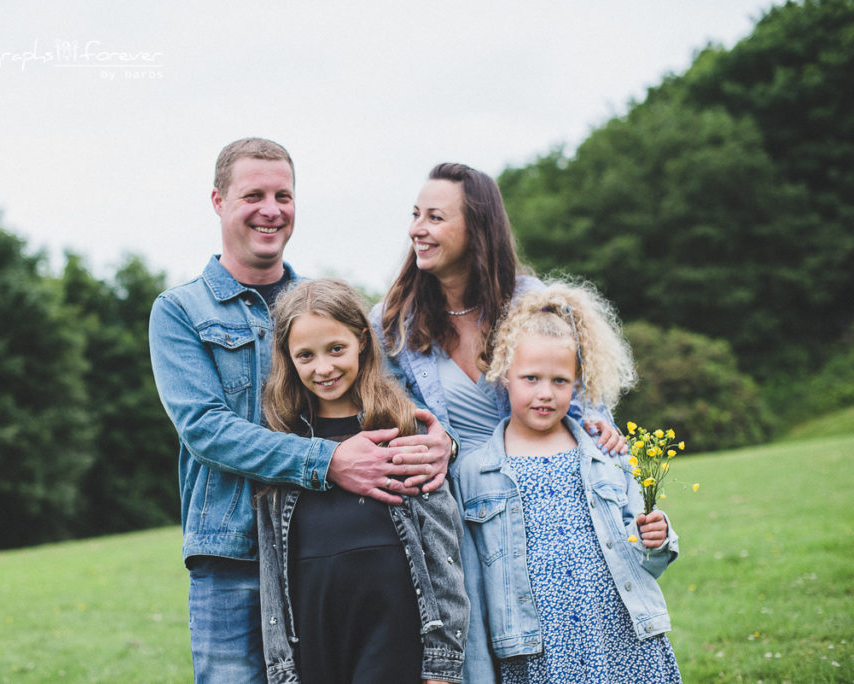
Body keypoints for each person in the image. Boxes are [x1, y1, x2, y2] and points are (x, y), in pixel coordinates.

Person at [148, 138, 455, 683]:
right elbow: (206, 429)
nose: (271, 209)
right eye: (254, 195)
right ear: (218, 201)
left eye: (283, 195)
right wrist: (328, 460)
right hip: (233, 556)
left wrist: (441, 442)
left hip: (327, 552)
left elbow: (397, 394)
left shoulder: (324, 304)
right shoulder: (180, 311)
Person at [453, 279, 682, 683]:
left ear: (578, 382)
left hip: (620, 635)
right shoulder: (474, 471)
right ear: (505, 375)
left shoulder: (605, 453)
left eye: (559, 381)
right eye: (531, 379)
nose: (545, 393)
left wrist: (658, 537)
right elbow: (470, 587)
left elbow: (649, 557)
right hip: (536, 651)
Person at [256, 278, 470, 684]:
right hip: (314, 632)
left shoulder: (402, 428)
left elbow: (444, 552)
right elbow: (271, 565)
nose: (324, 367)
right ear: (288, 358)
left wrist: (442, 664)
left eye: (336, 349)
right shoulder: (281, 444)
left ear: (361, 341)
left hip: (395, 627)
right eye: (306, 355)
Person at [370, 163, 626, 458]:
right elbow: (387, 414)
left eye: (435, 218)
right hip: (454, 495)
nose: (416, 230)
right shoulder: (392, 322)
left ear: (476, 227)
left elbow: (576, 390)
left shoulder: (530, 302)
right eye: (416, 215)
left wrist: (599, 423)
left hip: (535, 482)